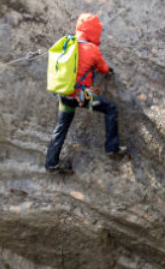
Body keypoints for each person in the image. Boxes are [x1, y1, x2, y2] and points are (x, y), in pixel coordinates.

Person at [44, 13, 129, 174]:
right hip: (81, 97)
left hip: (64, 94)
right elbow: (103, 69)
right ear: (94, 31)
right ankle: (112, 147)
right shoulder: (92, 49)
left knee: (61, 128)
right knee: (111, 108)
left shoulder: (68, 45)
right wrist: (108, 71)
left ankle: (51, 163)